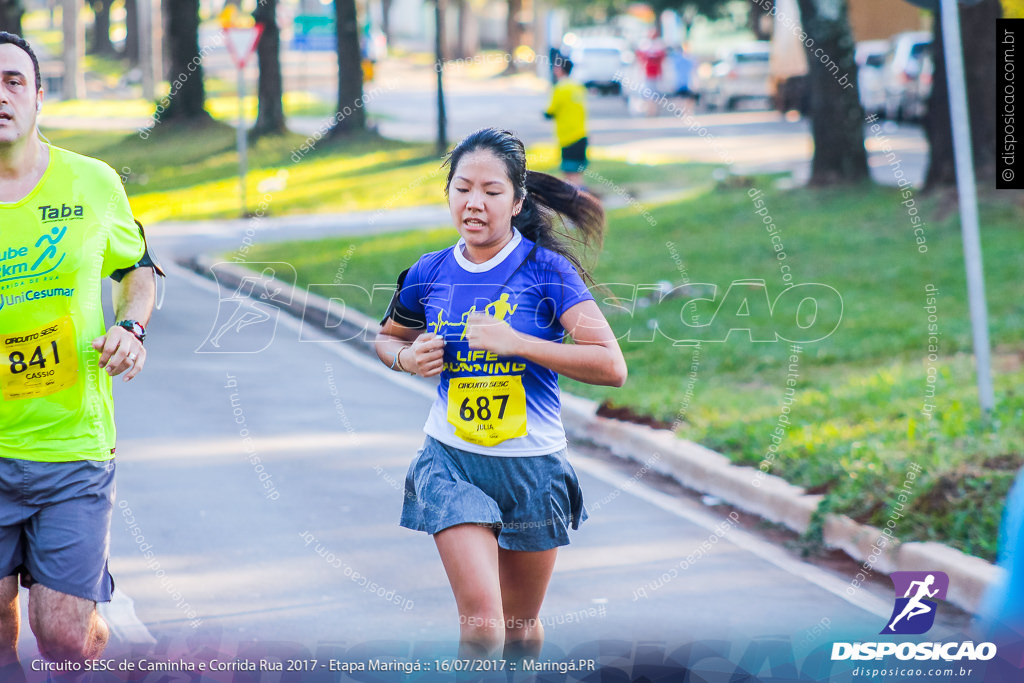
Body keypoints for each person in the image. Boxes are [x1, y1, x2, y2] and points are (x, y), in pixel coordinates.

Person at [375, 128, 626, 661]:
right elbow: (387, 337)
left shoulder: (547, 273)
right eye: (462, 188)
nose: (474, 202)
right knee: (483, 628)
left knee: (518, 628)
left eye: (491, 191)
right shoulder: (430, 272)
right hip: (452, 463)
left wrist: (522, 344)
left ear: (516, 202)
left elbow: (610, 366)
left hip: (533, 469)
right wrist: (405, 357)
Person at [0, 32, 161, 680]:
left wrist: (132, 327)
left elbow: (139, 270)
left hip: (74, 444)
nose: (0, 94)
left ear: (40, 96)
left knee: (63, 635)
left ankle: (86, 590)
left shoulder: (95, 183)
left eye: (13, 81)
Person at [543, 56, 588, 189]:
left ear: (560, 69)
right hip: (581, 134)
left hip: (567, 137)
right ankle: (581, 197)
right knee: (578, 172)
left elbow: (550, 111)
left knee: (569, 173)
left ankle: (577, 200)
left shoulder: (560, 88)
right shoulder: (578, 86)